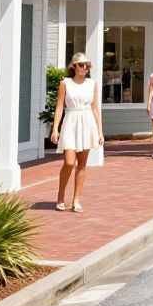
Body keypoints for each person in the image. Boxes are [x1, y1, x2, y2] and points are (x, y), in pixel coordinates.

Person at [50, 52, 104, 213]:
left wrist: (100, 131)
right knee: (68, 162)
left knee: (82, 165)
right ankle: (61, 195)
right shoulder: (65, 83)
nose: (85, 67)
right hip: (70, 122)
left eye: (87, 65)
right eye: (81, 64)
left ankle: (76, 200)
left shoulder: (92, 84)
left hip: (87, 122)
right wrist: (55, 128)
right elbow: (59, 107)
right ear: (73, 66)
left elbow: (95, 108)